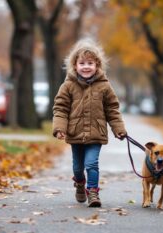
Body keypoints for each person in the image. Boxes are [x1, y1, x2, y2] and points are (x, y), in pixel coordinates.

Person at [52, 38, 127, 207]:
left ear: (97, 65)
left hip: (95, 133)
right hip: (75, 133)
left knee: (91, 163)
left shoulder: (104, 86)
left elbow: (112, 109)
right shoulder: (68, 85)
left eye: (90, 63)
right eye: (82, 63)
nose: (86, 66)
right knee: (78, 168)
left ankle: (93, 192)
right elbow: (60, 108)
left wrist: (119, 129)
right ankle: (79, 183)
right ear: (75, 65)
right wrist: (59, 128)